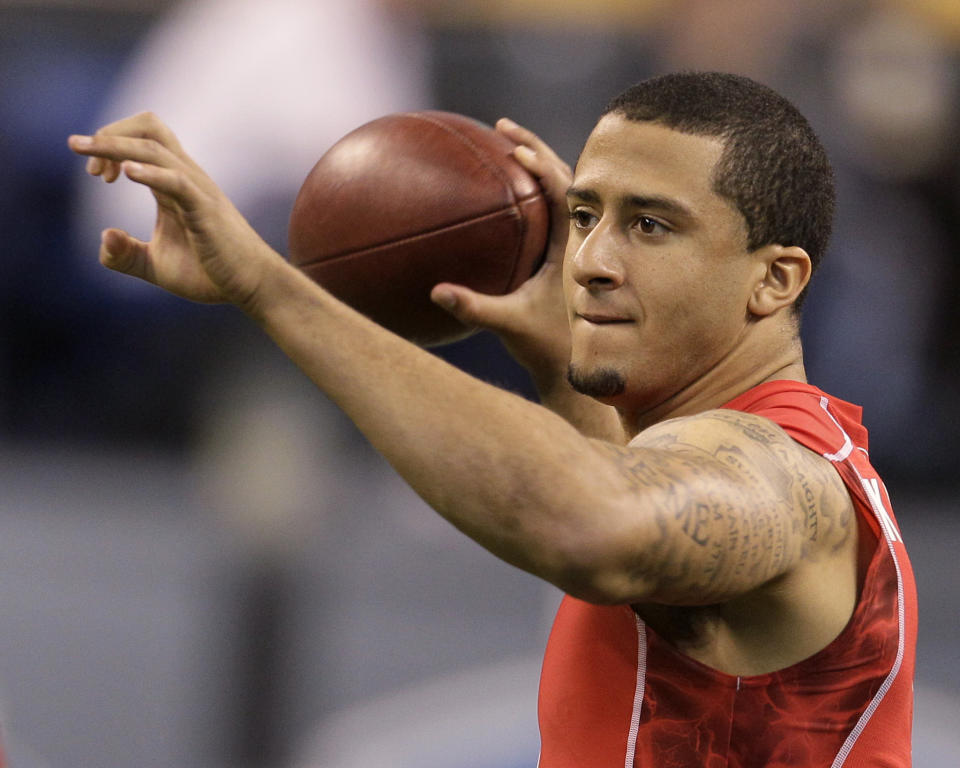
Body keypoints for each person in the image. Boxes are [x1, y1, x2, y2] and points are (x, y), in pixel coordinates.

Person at [68, 71, 916, 767]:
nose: (590, 263)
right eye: (584, 216)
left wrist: (268, 283)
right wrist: (556, 364)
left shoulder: (790, 475)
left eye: (649, 225)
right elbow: (629, 486)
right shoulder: (692, 446)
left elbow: (594, 524)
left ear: (777, 280)